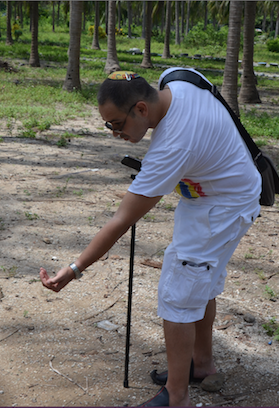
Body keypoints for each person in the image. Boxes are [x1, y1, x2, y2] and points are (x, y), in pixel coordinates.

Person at [39, 68, 261, 407]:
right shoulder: (177, 80)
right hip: (220, 191)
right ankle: (201, 365)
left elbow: (121, 220)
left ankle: (176, 397)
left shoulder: (172, 145)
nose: (114, 133)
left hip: (224, 205)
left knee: (178, 292)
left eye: (116, 124)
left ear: (141, 109)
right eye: (109, 126)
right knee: (199, 281)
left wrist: (74, 269)